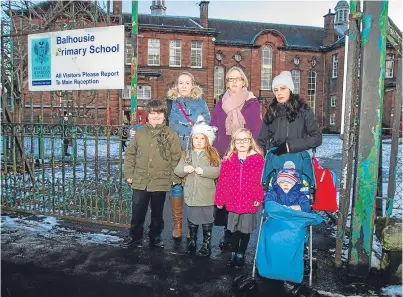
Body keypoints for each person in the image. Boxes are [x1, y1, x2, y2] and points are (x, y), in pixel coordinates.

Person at [129, 72, 210, 240]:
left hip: (193, 151)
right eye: (181, 83)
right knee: (176, 188)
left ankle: (191, 226)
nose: (184, 86)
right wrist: (137, 127)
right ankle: (178, 225)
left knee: (192, 189)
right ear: (176, 86)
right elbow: (158, 121)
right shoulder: (171, 103)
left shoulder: (201, 103)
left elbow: (207, 126)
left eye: (187, 82)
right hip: (173, 150)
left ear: (193, 85)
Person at [210, 66, 262, 250]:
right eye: (230, 79)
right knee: (226, 196)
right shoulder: (221, 102)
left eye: (237, 78)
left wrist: (251, 153)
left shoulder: (252, 103)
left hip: (243, 154)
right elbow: (214, 126)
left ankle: (241, 236)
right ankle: (228, 233)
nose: (233, 82)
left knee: (242, 194)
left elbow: (255, 130)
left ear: (244, 81)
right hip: (224, 155)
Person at [122, 99, 182, 248]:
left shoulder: (170, 134)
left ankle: (155, 237)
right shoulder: (140, 133)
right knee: (137, 211)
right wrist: (129, 173)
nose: (156, 116)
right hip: (140, 179)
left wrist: (175, 177)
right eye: (153, 113)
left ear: (164, 115)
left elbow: (176, 156)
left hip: (160, 180)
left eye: (159, 113)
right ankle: (135, 236)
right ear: (147, 115)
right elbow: (130, 154)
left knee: (157, 213)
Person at [214, 128, 265, 268]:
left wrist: (258, 197)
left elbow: (260, 182)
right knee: (234, 229)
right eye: (239, 140)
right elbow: (222, 182)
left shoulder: (258, 160)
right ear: (234, 143)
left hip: (249, 201)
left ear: (250, 142)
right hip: (233, 201)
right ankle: (234, 253)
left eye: (245, 140)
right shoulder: (228, 160)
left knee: (245, 230)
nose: (242, 143)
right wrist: (220, 199)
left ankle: (242, 253)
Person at [174, 115, 220, 257]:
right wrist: (184, 169)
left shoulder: (213, 154)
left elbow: (218, 171)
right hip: (191, 194)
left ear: (207, 140)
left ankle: (206, 244)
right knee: (192, 219)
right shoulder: (186, 154)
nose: (199, 141)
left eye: (202, 138)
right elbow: (177, 170)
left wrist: (204, 171)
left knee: (206, 219)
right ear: (191, 139)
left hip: (206, 195)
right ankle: (192, 241)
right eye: (196, 138)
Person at [258, 71, 322, 155]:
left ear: (290, 89)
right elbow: (261, 140)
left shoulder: (304, 110)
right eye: (276, 90)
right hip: (276, 159)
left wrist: (290, 147)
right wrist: (259, 157)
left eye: (283, 88)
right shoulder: (272, 112)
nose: (279, 93)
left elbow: (317, 138)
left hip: (298, 160)